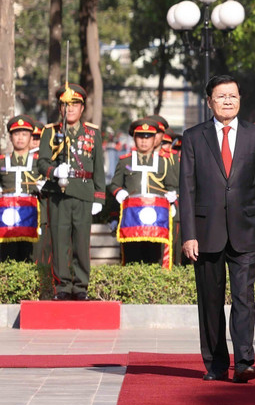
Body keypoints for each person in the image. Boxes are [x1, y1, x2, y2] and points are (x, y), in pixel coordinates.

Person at [179, 74, 255, 383]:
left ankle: (244, 362)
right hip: (206, 232)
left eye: (233, 95)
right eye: (221, 96)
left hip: (246, 230)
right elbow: (186, 188)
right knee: (211, 301)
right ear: (210, 102)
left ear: (240, 99)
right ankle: (216, 364)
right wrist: (188, 233)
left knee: (244, 297)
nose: (228, 101)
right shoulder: (193, 137)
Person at [38, 84, 105, 301]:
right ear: (60, 109)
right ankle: (62, 286)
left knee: (81, 242)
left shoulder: (92, 133)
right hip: (59, 193)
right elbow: (41, 163)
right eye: (65, 105)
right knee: (59, 241)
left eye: (74, 105)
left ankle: (81, 286)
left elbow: (98, 166)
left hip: (84, 192)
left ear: (82, 108)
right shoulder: (51, 132)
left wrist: (99, 196)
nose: (70, 109)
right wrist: (54, 170)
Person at [109, 118, 179, 265]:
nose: (144, 141)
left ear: (155, 139)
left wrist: (172, 196)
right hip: (131, 219)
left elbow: (174, 186)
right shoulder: (125, 161)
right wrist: (119, 192)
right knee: (131, 257)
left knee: (155, 258)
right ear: (134, 138)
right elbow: (114, 184)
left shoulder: (164, 161)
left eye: (148, 137)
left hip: (157, 220)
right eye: (140, 137)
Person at [0, 115, 43, 262]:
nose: (20, 138)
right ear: (10, 138)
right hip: (6, 220)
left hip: (32, 218)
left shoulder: (39, 163)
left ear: (31, 138)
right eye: (16, 134)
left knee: (31, 259)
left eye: (24, 134)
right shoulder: (1, 161)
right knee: (6, 259)